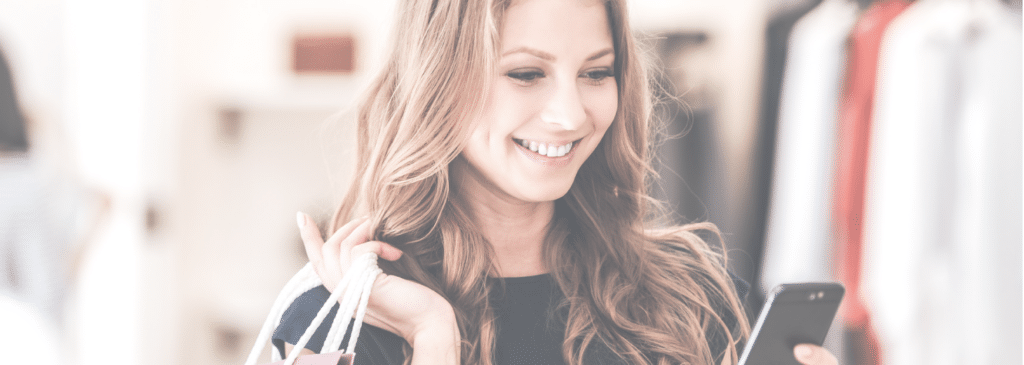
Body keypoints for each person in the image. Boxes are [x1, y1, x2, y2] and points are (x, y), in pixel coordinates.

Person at [272, 0, 839, 364]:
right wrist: (433, 337)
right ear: (438, 79)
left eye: (596, 73)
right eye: (526, 74)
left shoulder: (694, 296)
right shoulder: (341, 320)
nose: (570, 115)